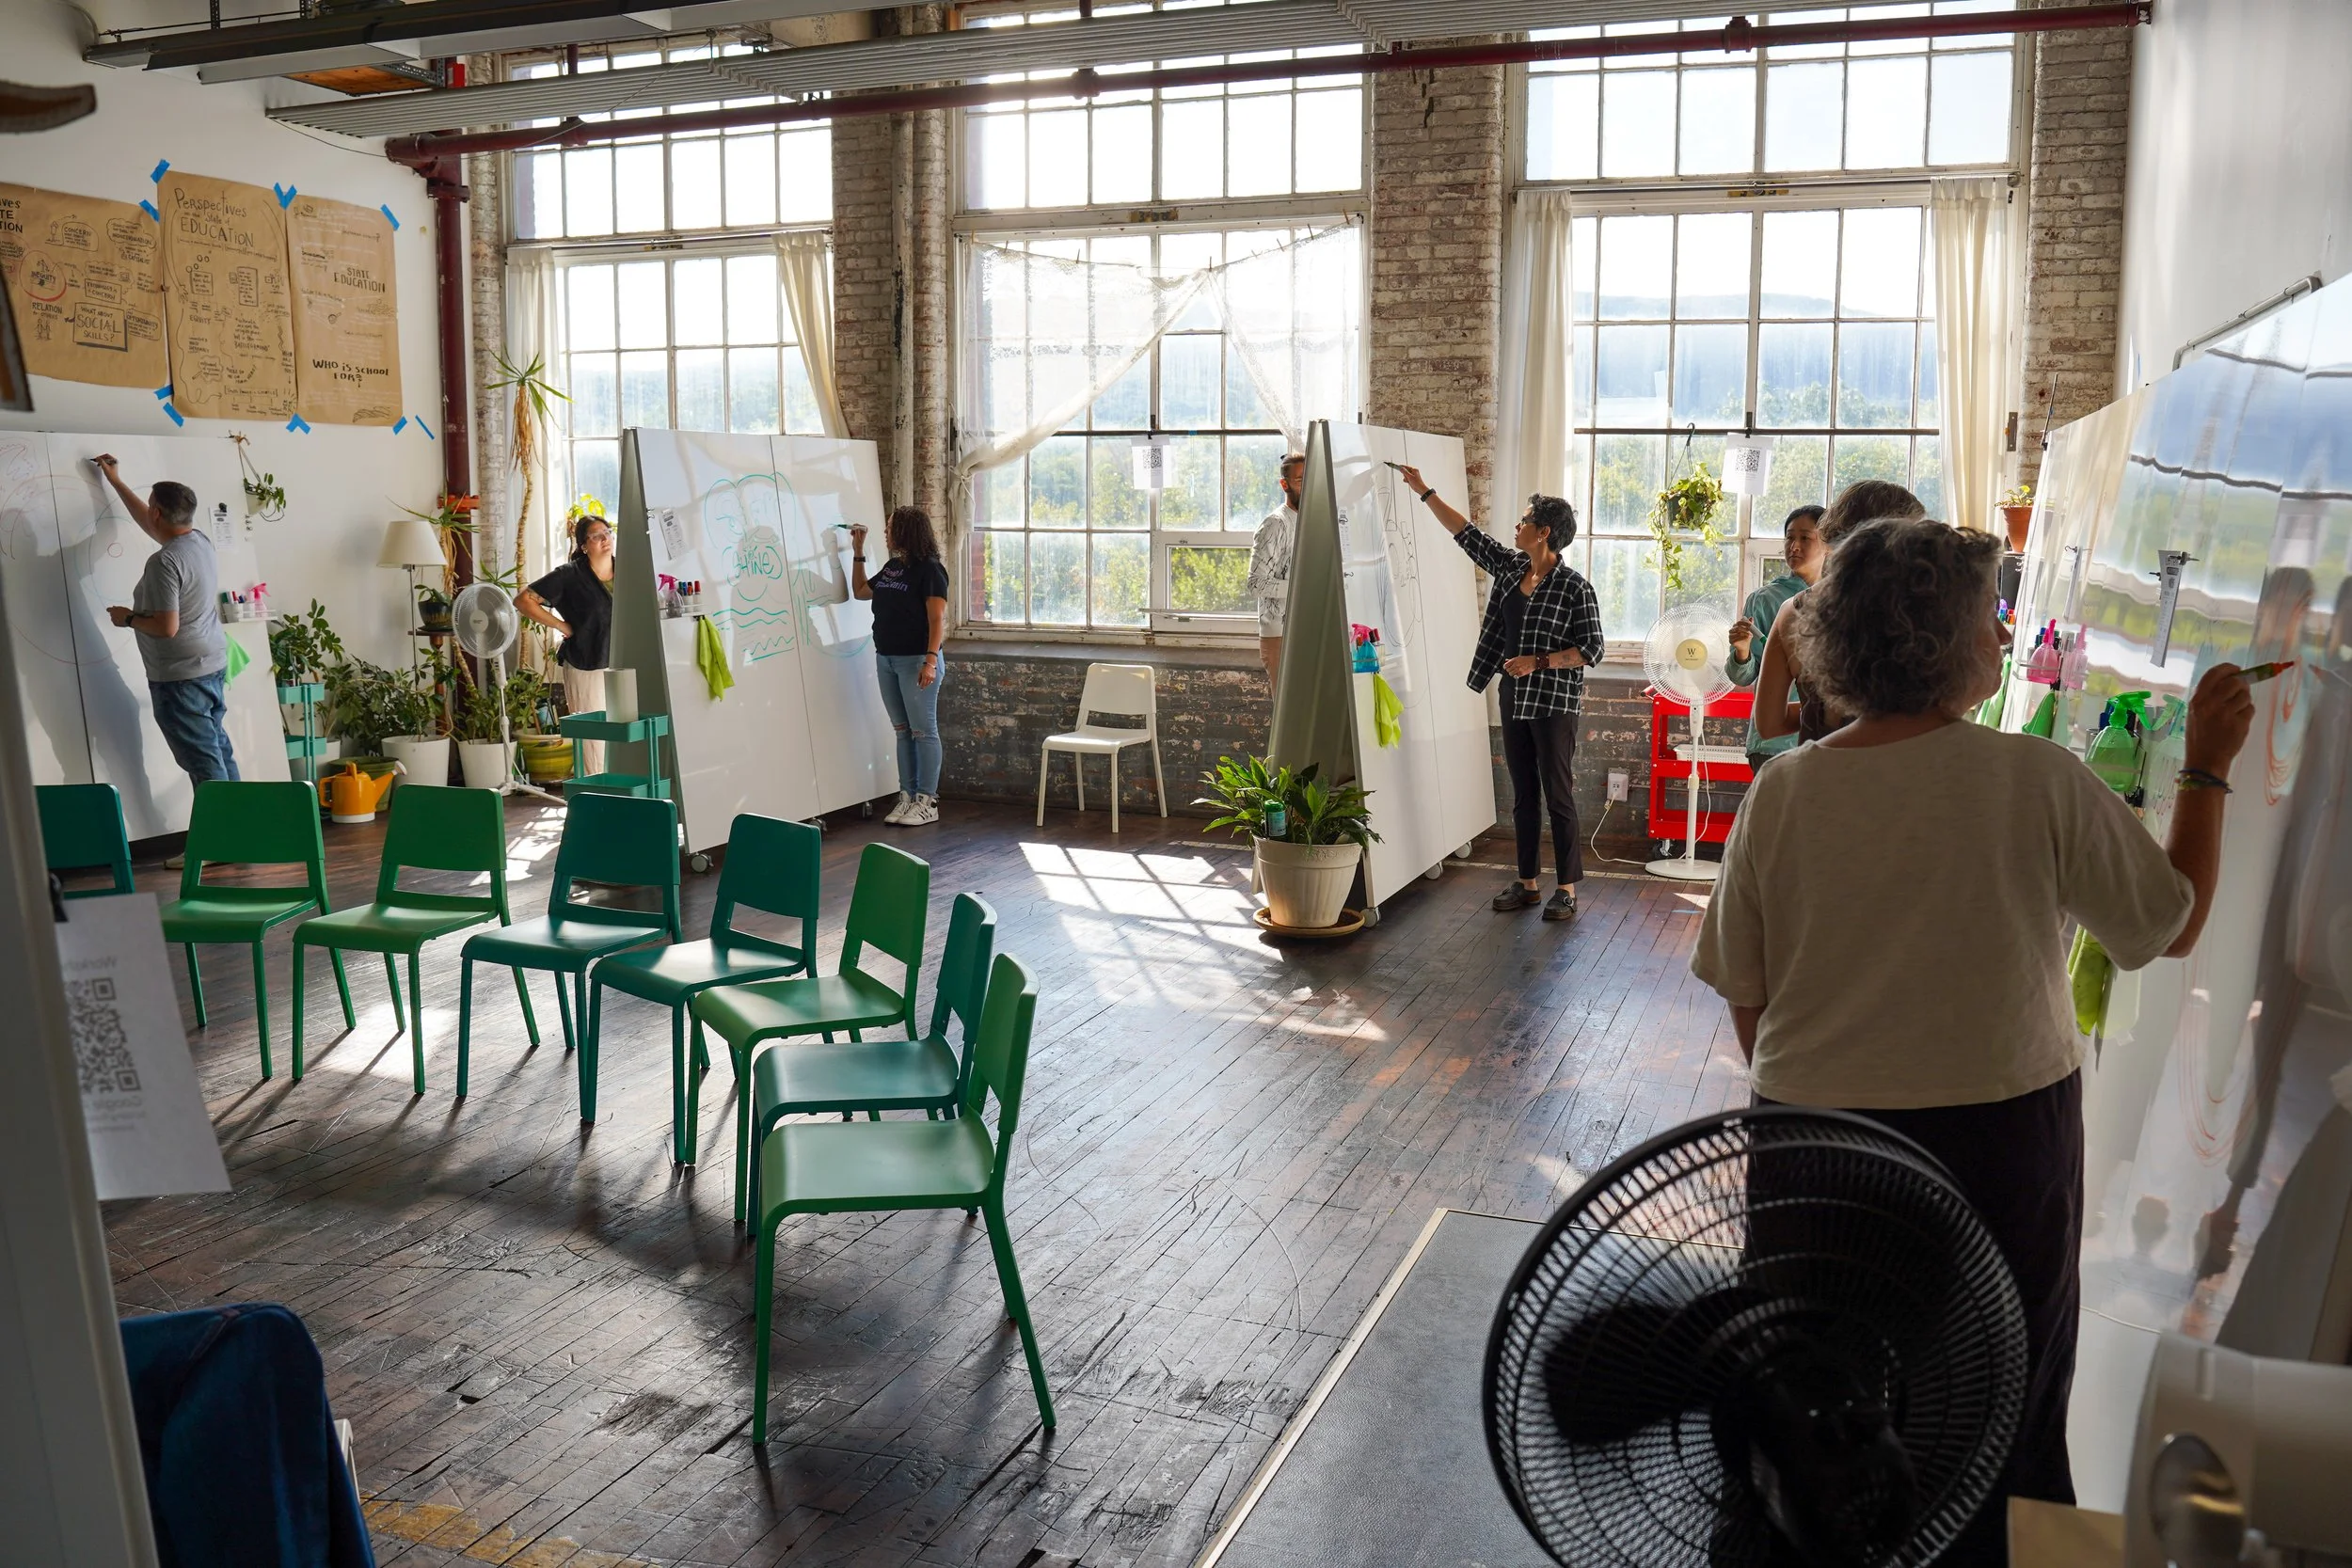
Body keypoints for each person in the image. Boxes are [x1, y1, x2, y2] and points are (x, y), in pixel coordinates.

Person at [1692, 516, 2255, 1558]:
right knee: (2006, 1392)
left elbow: (1747, 998)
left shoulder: (1786, 789)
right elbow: (2168, 926)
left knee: (1814, 1393)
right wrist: (2208, 766)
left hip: (1814, 1145)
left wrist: (1827, 1073)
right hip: (2000, 1145)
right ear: (1961, 642)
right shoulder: (2032, 777)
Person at [1397, 467, 1605, 922]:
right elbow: (1467, 535)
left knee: (1559, 794)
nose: (1517, 525)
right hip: (1514, 697)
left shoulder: (1575, 587)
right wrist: (1425, 491)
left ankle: (1566, 889)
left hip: (1554, 703)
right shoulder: (1512, 569)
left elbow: (1592, 649)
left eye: (1525, 519)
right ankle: (1528, 883)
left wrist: (1540, 660)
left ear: (1544, 532)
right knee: (1523, 793)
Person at [95, 454, 238, 789]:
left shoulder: (164, 562)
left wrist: (127, 618)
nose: (149, 512)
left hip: (180, 678)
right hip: (210, 666)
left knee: (206, 768)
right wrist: (115, 482)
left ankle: (220, 840)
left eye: (151, 507)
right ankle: (242, 833)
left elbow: (167, 628)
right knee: (218, 752)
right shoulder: (197, 541)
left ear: (157, 512)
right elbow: (151, 524)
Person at [1752, 480, 1925, 749]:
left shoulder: (1793, 612)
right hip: (1899, 778)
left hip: (1818, 777)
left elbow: (1769, 723)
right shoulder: (1920, 611)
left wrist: (1819, 705)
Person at [850, 504, 950, 827]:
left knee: (924, 731)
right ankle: (906, 796)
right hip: (887, 659)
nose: (886, 531)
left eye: (890, 526)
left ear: (905, 530)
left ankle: (927, 800)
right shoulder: (893, 567)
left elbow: (937, 619)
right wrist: (858, 551)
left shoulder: (931, 570)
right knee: (902, 731)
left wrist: (931, 661)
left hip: (917, 661)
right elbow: (861, 591)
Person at [1724, 503, 1825, 771]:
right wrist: (1741, 651)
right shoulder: (1765, 599)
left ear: (1828, 542)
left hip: (1826, 739)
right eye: (1790, 537)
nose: (1794, 546)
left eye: (1805, 538)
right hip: (1773, 744)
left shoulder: (1843, 597)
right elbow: (1743, 677)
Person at [518, 502, 616, 776]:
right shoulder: (569, 575)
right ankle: (596, 795)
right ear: (584, 545)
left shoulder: (627, 572)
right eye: (596, 536)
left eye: (607, 532)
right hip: (586, 662)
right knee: (594, 738)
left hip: (622, 663)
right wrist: (562, 625)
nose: (604, 539)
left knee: (624, 732)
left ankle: (626, 796)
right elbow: (524, 600)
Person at [1245, 452, 1306, 687]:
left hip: (1304, 630)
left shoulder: (1309, 519)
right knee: (1288, 717)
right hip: (1279, 635)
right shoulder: (1275, 524)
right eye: (1300, 480)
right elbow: (1256, 583)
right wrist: (1303, 588)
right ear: (1285, 484)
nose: (1307, 486)